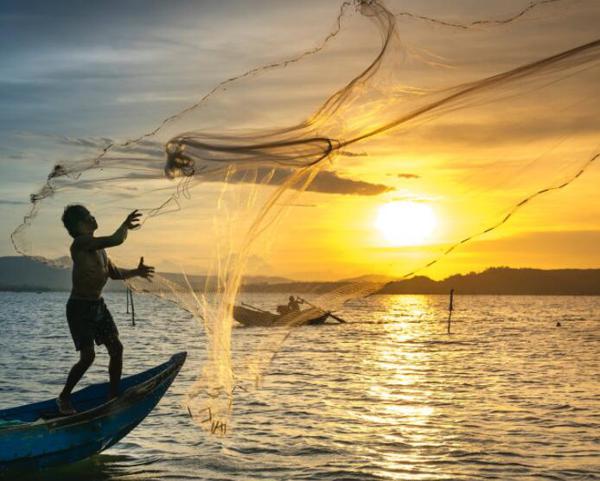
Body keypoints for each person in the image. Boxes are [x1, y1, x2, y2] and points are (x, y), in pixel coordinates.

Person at [56, 205, 154, 415]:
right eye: (89, 216)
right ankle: (64, 397)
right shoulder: (81, 244)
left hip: (98, 305)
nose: (93, 217)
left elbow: (114, 273)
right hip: (79, 308)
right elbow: (116, 239)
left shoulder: (100, 249)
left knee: (116, 349)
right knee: (88, 357)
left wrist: (136, 271)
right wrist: (125, 225)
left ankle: (113, 395)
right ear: (80, 224)